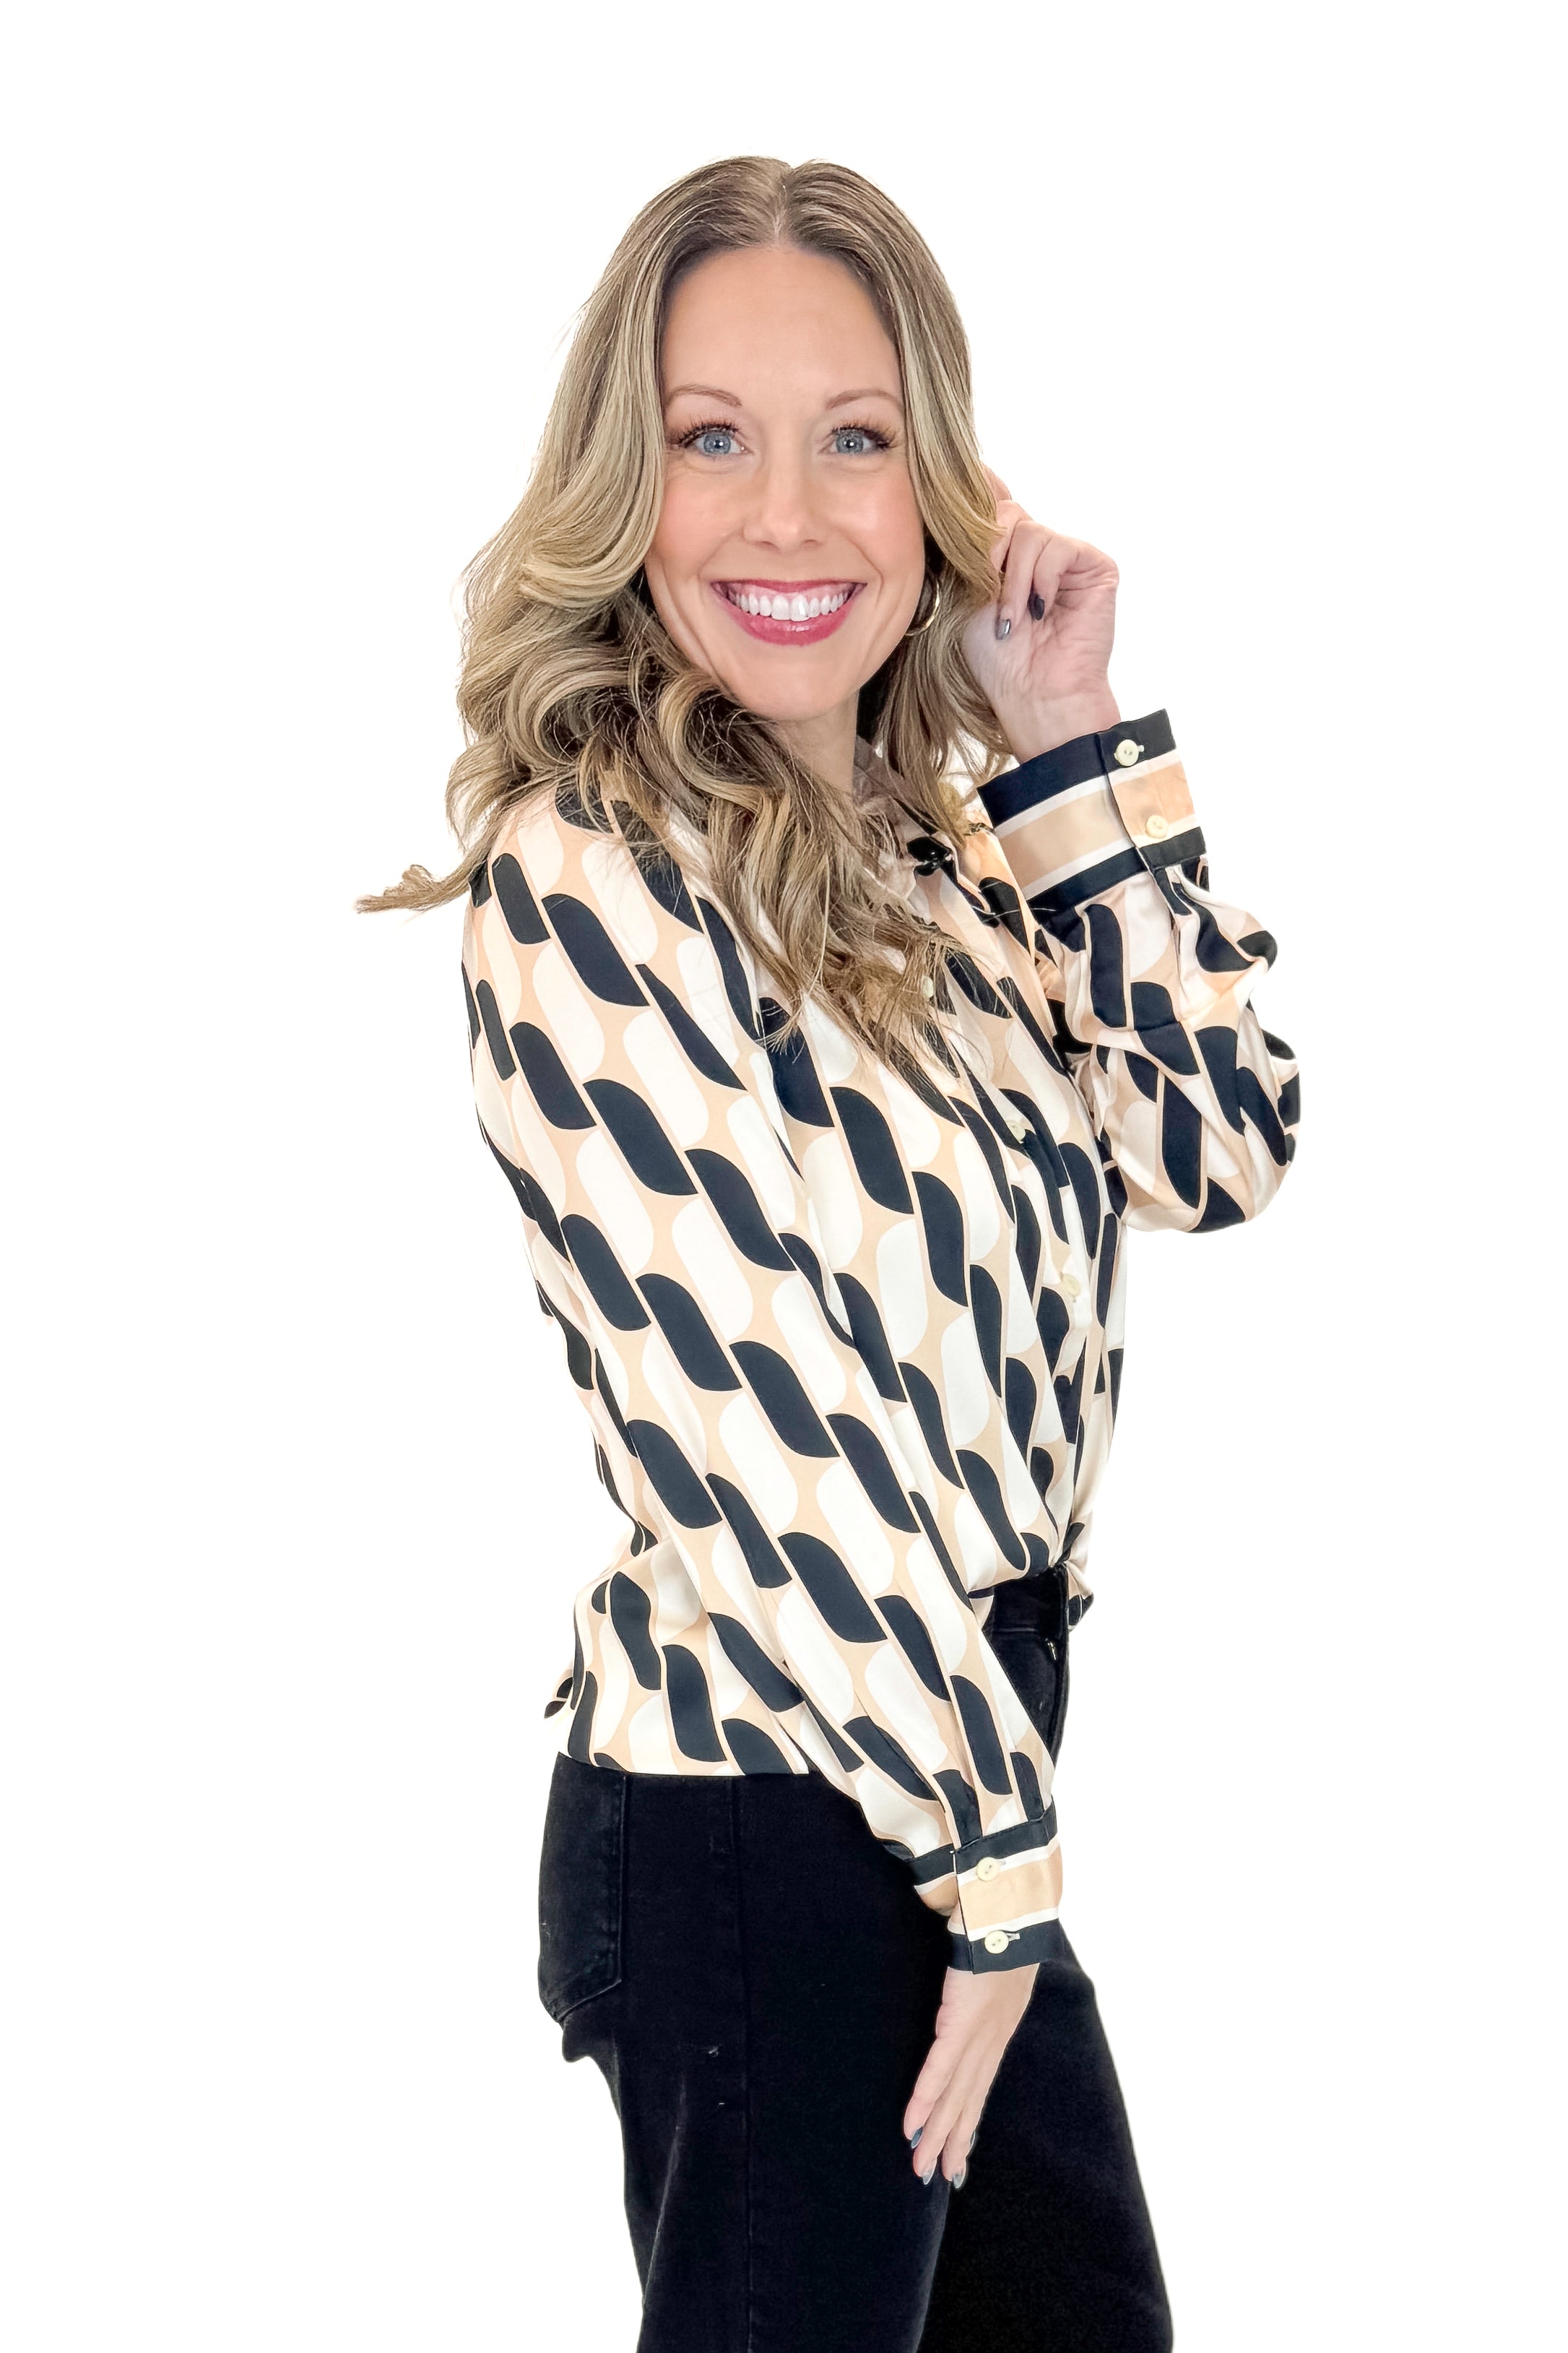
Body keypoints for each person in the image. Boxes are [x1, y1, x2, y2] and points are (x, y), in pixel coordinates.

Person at [363, 154, 1299, 2353]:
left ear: (937, 479)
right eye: (713, 438)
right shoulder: (588, 872)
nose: (786, 515)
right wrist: (992, 1862)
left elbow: (1219, 1145)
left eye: (854, 437)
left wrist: (1065, 747)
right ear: (628, 484)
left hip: (942, 1773)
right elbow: (760, 1439)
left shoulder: (945, 857)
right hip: (770, 1808)